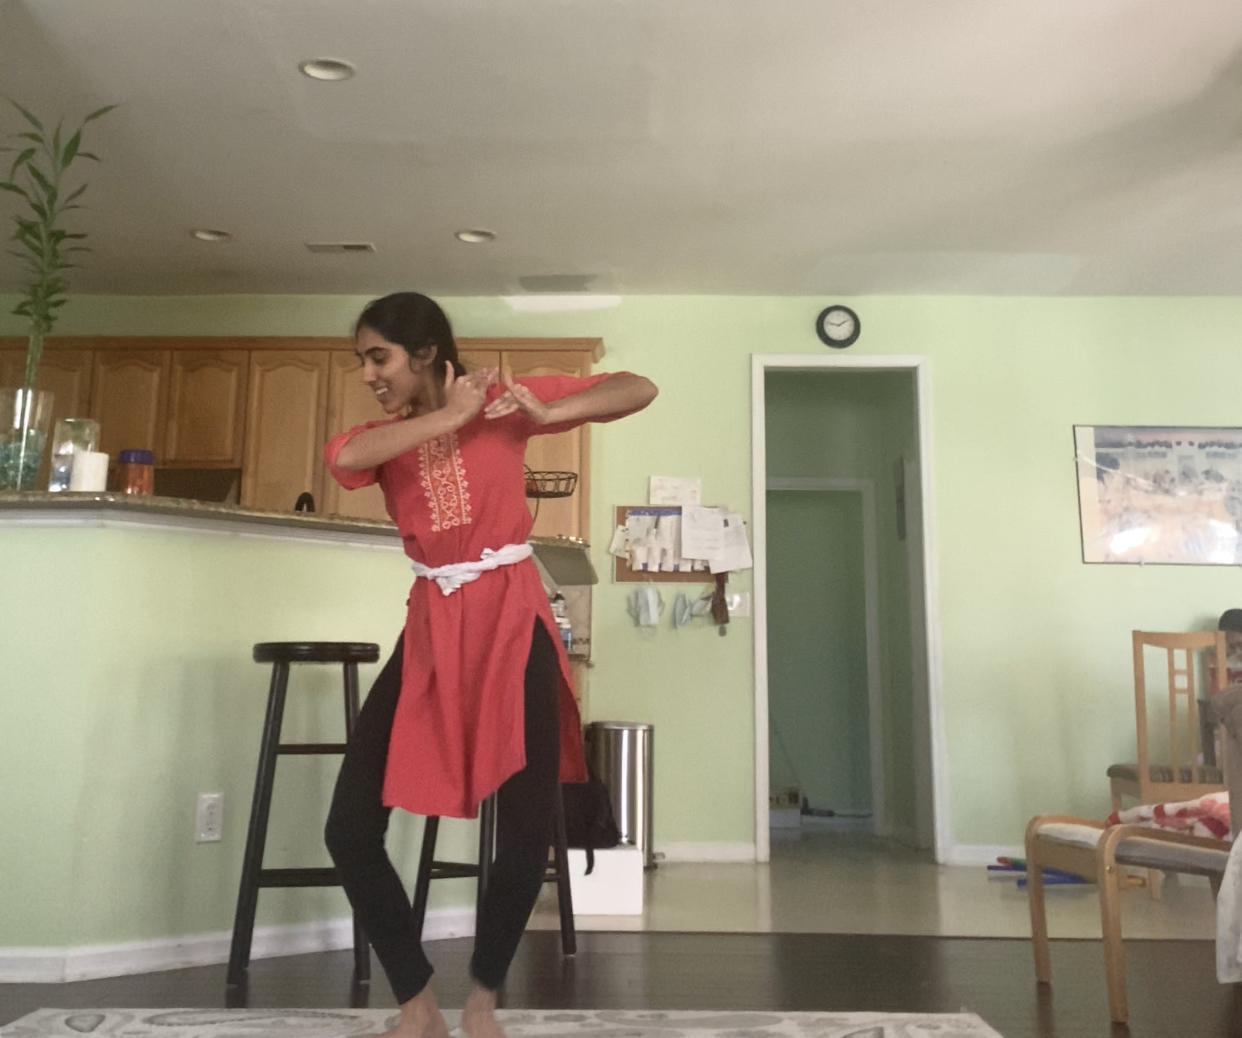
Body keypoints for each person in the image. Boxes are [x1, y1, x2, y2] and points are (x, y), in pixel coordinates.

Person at [322, 292, 657, 1038]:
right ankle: (417, 1004)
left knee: (526, 830)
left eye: (379, 357)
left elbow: (637, 388)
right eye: (363, 361)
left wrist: (547, 412)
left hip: (512, 621)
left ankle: (481, 1003)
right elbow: (343, 458)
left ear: (426, 353)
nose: (368, 374)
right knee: (349, 827)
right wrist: (447, 418)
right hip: (433, 629)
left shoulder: (506, 404)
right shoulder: (383, 438)